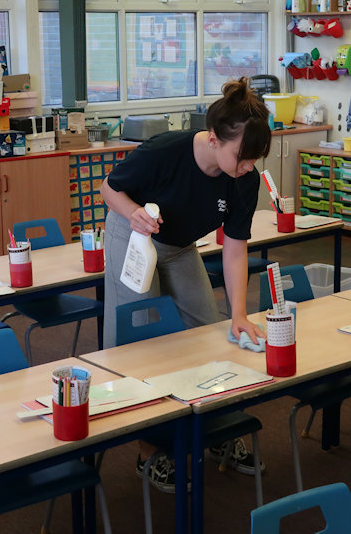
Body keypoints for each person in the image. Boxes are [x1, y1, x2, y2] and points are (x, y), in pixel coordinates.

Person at [100, 77, 271, 492]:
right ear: (214, 140)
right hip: (134, 238)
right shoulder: (166, 151)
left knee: (210, 331)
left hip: (178, 247)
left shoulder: (242, 180)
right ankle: (150, 455)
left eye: (253, 159)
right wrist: (134, 212)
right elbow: (109, 188)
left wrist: (240, 314)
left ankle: (213, 433)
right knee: (144, 341)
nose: (248, 167)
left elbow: (234, 248)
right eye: (241, 157)